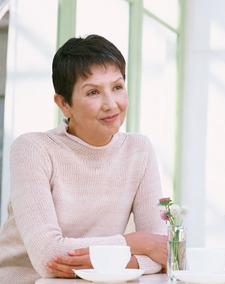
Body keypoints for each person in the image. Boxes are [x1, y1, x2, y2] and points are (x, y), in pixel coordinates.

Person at [0, 35, 167, 283]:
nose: (111, 105)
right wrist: (136, 242)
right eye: (93, 92)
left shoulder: (138, 150)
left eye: (118, 87)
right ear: (64, 104)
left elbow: (163, 254)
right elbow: (48, 257)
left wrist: (119, 257)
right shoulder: (33, 149)